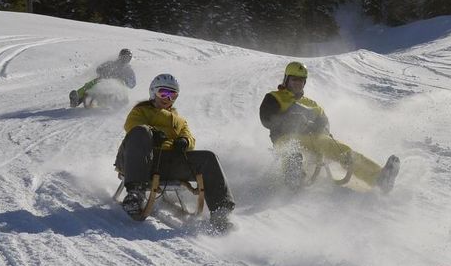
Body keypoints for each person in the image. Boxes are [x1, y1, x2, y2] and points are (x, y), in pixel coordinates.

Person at [116, 73, 235, 231]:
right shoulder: (141, 111)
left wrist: (184, 141)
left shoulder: (179, 120)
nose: (167, 98)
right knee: (140, 131)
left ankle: (221, 213)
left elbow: (190, 138)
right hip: (138, 159)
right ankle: (135, 195)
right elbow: (132, 126)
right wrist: (151, 132)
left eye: (172, 95)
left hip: (167, 163)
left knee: (208, 157)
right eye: (163, 93)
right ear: (153, 92)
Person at [259, 61, 399, 192]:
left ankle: (379, 178)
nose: (298, 83)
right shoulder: (275, 97)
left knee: (342, 151)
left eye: (301, 80)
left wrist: (318, 127)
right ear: (286, 80)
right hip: (285, 138)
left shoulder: (311, 104)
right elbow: (266, 118)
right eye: (294, 79)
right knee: (291, 150)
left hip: (313, 138)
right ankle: (293, 176)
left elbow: (325, 122)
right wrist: (288, 120)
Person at [71, 48, 137, 107]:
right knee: (93, 83)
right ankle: (77, 98)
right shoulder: (111, 63)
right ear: (120, 56)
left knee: (121, 85)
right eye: (124, 57)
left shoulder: (129, 70)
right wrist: (104, 73)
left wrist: (125, 79)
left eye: (127, 58)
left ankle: (121, 101)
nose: (125, 59)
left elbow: (133, 84)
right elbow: (99, 69)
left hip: (118, 89)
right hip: (104, 82)